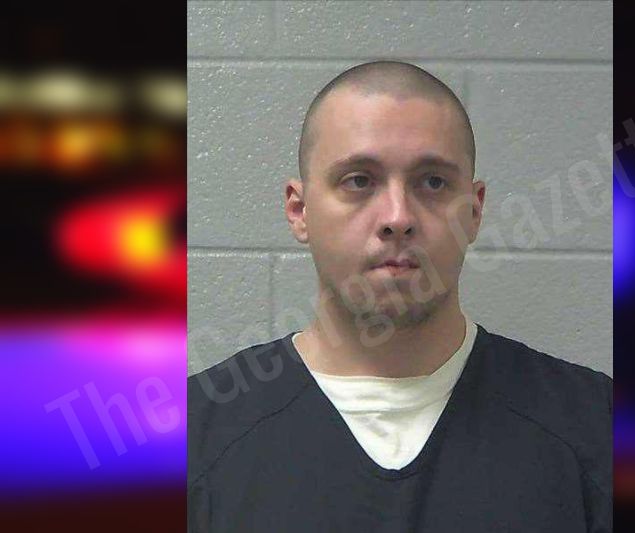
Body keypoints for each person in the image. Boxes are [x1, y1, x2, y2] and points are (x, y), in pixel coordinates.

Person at [188, 61, 611, 532]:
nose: (398, 217)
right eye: (359, 180)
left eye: (433, 182)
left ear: (474, 211)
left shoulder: (599, 429)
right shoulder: (192, 438)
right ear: (300, 209)